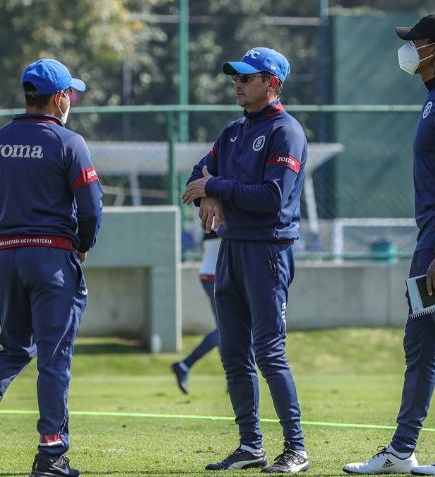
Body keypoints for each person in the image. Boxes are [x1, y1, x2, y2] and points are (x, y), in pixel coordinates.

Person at [343, 13, 435, 476]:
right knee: (420, 346)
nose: (409, 49)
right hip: (433, 243)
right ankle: (402, 452)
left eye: (417, 41)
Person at [0, 59, 104, 477]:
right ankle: (51, 455)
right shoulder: (69, 143)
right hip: (52, 258)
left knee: (13, 348)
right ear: (58, 98)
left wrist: (12, 236)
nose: (71, 99)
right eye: (69, 93)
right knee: (54, 358)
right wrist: (81, 246)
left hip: (7, 255)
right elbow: (91, 209)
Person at [181, 46, 309, 474]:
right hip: (231, 249)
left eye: (247, 78)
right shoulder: (233, 131)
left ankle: (296, 449)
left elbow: (272, 198)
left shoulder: (285, 132)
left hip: (268, 250)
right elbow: (196, 177)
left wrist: (216, 185)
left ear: (272, 84)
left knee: (269, 353)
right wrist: (212, 189)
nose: (237, 83)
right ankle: (250, 445)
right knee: (233, 353)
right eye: (235, 76)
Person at [171, 231, 222, 394]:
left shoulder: (215, 213)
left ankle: (234, 373)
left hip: (211, 274)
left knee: (226, 330)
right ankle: (185, 364)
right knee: (227, 329)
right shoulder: (224, 213)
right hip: (217, 276)